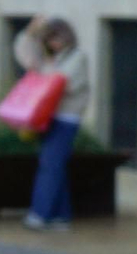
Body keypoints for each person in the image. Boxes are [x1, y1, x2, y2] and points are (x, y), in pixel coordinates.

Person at [15, 15, 91, 232]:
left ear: (68, 37)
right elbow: (24, 56)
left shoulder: (77, 57)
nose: (54, 43)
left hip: (66, 118)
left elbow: (63, 82)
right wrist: (30, 34)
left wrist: (42, 69)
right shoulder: (49, 58)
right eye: (49, 39)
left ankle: (40, 214)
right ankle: (60, 216)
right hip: (45, 117)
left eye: (57, 38)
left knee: (50, 165)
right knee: (55, 166)